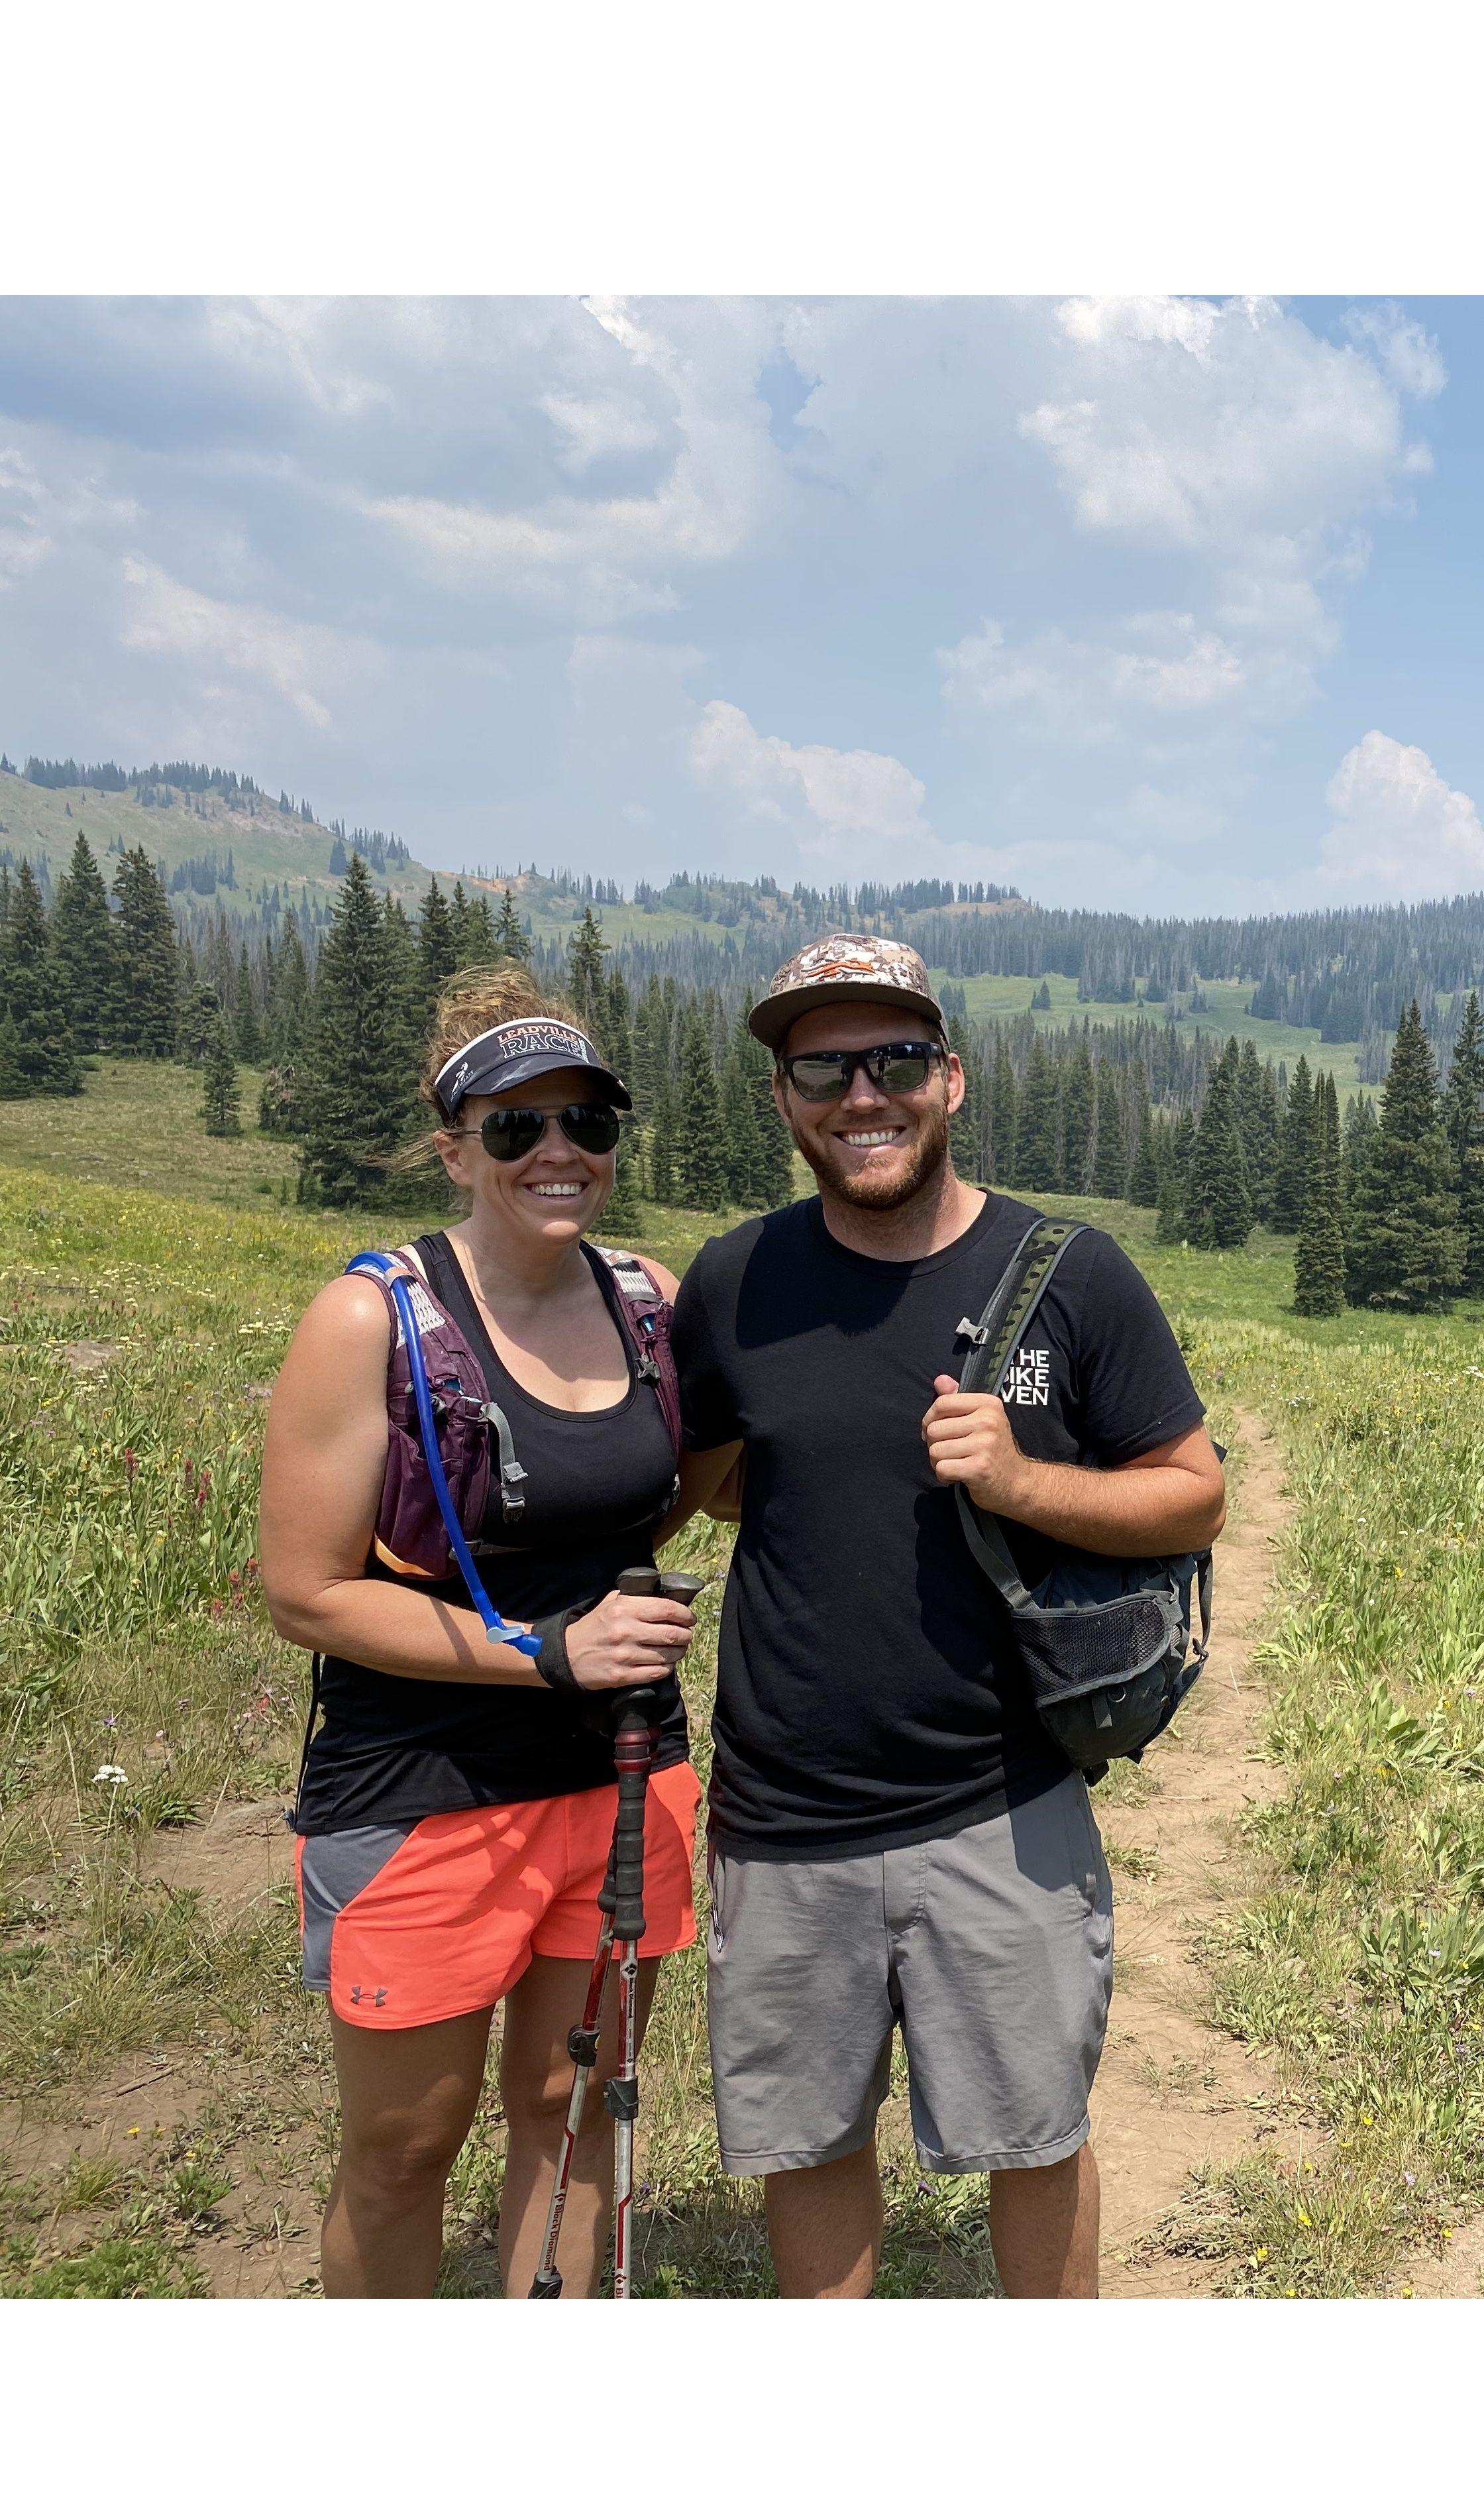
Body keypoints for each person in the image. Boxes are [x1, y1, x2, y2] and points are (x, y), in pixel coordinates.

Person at [671, 934, 1224, 2298]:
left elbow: (1194, 1500)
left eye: (896, 1061)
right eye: (823, 1068)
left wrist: (1025, 1480)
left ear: (951, 1081)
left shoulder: (1072, 1274)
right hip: (784, 1811)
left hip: (1006, 1804)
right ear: (786, 1100)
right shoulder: (737, 1282)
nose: (864, 1095)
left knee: (1036, 2135)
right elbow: (716, 1483)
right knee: (809, 2142)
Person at [259, 966, 707, 2298]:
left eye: (586, 1123)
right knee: (404, 2145)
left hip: (624, 1777)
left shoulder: (647, 1299)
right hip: (425, 1789)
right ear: (454, 1145)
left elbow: (684, 1481)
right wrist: (540, 1649)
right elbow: (307, 1590)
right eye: (515, 1126)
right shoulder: (373, 1318)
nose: (556, 1151)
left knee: (567, 2117)